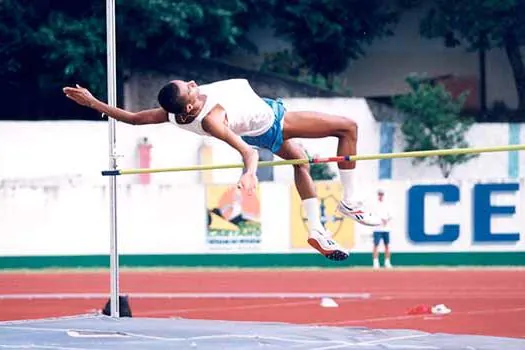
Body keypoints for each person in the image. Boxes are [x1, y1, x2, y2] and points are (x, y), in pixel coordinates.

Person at [63, 78, 380, 261]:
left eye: (187, 82)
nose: (193, 84)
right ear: (189, 106)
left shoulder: (172, 113)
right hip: (274, 122)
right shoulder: (212, 119)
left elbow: (132, 118)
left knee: (300, 162)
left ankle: (316, 231)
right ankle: (350, 200)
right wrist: (249, 173)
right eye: (190, 89)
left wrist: (93, 102)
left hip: (260, 120)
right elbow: (246, 150)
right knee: (348, 129)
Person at [371, 188, 393, 269]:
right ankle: (375, 263)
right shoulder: (374, 205)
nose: (380, 196)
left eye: (382, 194)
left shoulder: (387, 204)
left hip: (386, 229)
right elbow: (372, 215)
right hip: (377, 228)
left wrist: (386, 220)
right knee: (376, 245)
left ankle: (387, 262)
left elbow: (390, 215)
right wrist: (380, 220)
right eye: (379, 194)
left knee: (387, 245)